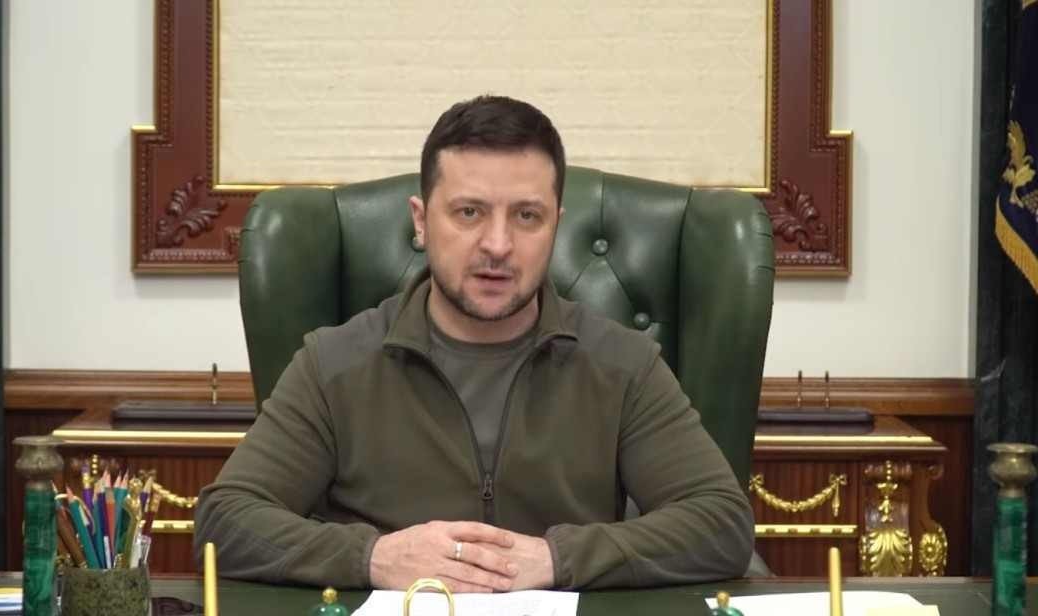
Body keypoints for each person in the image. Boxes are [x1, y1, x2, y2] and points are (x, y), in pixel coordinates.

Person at [194, 95, 754, 591]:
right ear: (421, 221)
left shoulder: (622, 363)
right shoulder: (334, 362)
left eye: (527, 216)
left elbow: (721, 523)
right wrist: (374, 557)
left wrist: (556, 558)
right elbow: (226, 522)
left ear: (556, 226)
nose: (498, 245)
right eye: (469, 212)